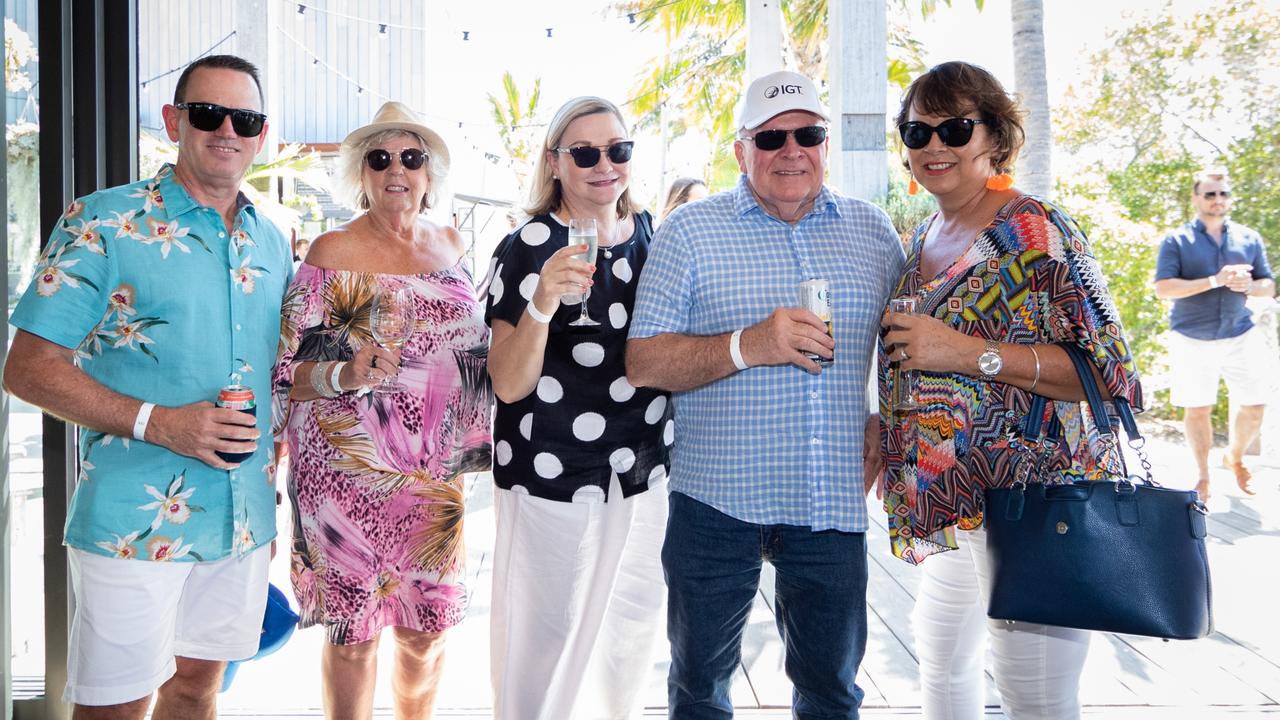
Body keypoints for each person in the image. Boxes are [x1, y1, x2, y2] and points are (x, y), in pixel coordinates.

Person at [1, 55, 290, 719]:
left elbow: (272, 376)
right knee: (116, 708)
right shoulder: (102, 220)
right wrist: (161, 422)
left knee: (197, 693)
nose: (226, 129)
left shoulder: (272, 241)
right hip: (132, 522)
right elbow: (26, 368)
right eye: (207, 113)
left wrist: (267, 492)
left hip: (240, 521)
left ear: (261, 133)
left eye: (243, 118)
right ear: (173, 121)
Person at [627, 70, 903, 719]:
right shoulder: (690, 231)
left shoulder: (872, 232)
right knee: (699, 689)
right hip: (715, 503)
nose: (791, 150)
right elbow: (643, 363)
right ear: (740, 150)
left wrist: (884, 420)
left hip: (830, 498)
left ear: (826, 143)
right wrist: (749, 343)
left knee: (832, 692)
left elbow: (904, 348)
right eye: (771, 136)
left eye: (807, 133)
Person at [878, 61, 1143, 720]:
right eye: (916, 132)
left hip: (1032, 505)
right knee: (939, 663)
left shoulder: (1039, 232)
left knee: (1034, 695)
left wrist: (968, 354)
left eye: (954, 127)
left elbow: (1111, 378)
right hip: (950, 498)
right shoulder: (921, 241)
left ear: (994, 138)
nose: (933, 145)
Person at [272, 101, 492, 720]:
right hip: (342, 478)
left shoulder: (450, 246)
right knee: (354, 638)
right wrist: (345, 372)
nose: (397, 170)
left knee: (426, 635)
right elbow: (286, 372)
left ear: (429, 173)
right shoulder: (330, 251)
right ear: (362, 174)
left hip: (430, 480)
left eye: (411, 157)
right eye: (381, 158)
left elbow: (472, 357)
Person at [482, 96, 671, 720]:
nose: (604, 165)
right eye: (585, 153)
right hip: (551, 467)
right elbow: (508, 385)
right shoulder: (527, 245)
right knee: (545, 631)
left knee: (632, 622)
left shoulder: (650, 234)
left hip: (641, 467)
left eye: (618, 150)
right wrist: (540, 303)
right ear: (555, 162)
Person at [1153, 168, 1275, 501]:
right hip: (1191, 337)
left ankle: (1234, 456)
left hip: (1240, 333)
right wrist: (1213, 280)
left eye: (1223, 194)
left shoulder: (1248, 238)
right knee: (1198, 409)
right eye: (1210, 194)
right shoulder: (1177, 240)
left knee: (1255, 405)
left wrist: (1250, 285)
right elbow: (1164, 289)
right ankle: (1203, 475)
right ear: (1196, 199)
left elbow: (1269, 285)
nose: (1218, 200)